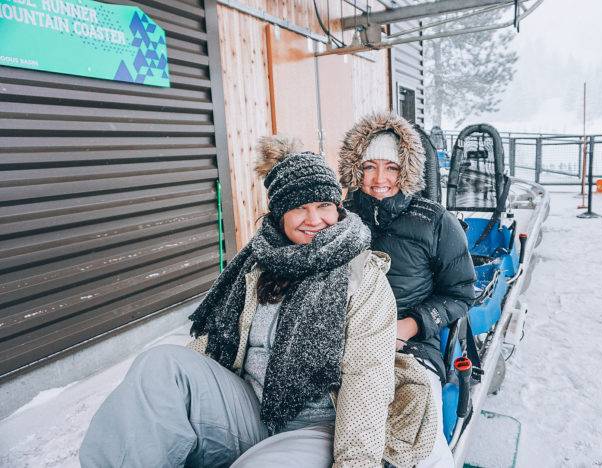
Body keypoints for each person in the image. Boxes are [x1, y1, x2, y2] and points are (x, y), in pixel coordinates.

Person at [80, 136, 437, 467]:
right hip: (250, 407)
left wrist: (356, 462)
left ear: (338, 207)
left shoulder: (362, 275)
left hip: (317, 426)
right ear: (279, 215)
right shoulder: (256, 262)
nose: (315, 220)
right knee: (161, 365)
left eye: (324, 205)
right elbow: (214, 337)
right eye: (299, 208)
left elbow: (367, 379)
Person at [339, 111, 477, 464]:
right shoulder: (337, 218)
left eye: (392, 167)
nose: (380, 179)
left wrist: (411, 325)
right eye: (369, 166)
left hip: (410, 348)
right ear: (356, 168)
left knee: (418, 442)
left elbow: (460, 293)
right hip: (345, 342)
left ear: (407, 169)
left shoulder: (436, 221)